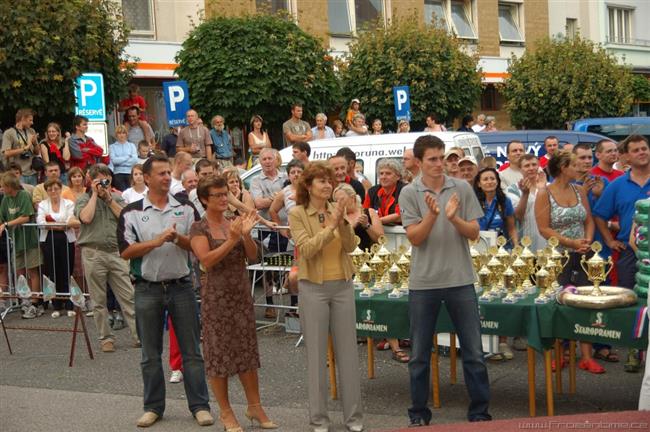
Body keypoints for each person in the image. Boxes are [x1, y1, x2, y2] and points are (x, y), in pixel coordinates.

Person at [398, 135, 490, 426]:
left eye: (442, 158)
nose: (439, 164)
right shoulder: (409, 192)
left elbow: (474, 232)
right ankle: (418, 413)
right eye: (433, 159)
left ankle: (479, 411)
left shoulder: (461, 187)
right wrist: (432, 216)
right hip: (423, 282)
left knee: (474, 352)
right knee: (420, 355)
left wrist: (453, 219)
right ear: (419, 161)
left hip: (460, 279)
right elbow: (415, 237)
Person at [117, 155, 213, 428]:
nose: (166, 177)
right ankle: (153, 407)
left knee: (192, 351)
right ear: (146, 178)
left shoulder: (184, 208)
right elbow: (125, 251)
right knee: (150, 353)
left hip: (181, 286)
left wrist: (178, 239)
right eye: (160, 173)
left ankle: (200, 406)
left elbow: (197, 245)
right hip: (147, 288)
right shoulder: (131, 212)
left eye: (168, 172)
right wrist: (156, 242)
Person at [190, 176, 276, 432]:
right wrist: (231, 239)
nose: (223, 199)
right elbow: (207, 260)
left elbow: (251, 256)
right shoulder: (199, 228)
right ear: (204, 199)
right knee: (219, 355)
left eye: (225, 194)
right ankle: (226, 412)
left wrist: (246, 236)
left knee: (246, 352)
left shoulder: (234, 222)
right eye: (217, 195)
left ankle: (255, 406)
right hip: (216, 297)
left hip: (240, 295)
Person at [288, 161, 364, 432]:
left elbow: (351, 245)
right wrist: (330, 226)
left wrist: (342, 222)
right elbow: (307, 250)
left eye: (329, 180)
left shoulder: (335, 209)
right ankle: (319, 420)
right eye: (321, 180)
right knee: (317, 357)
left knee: (349, 355)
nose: (327, 184)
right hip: (314, 288)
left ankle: (354, 419)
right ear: (308, 186)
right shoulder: (297, 213)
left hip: (342, 285)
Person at [534, 150, 601, 373]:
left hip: (583, 253)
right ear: (563, 168)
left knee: (586, 301)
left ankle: (587, 356)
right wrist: (570, 243)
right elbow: (543, 228)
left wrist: (588, 241)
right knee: (558, 304)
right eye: (575, 164)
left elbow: (589, 220)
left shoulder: (580, 190)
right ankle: (558, 353)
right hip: (558, 256)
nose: (581, 166)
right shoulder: (545, 193)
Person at [593, 135, 650, 373]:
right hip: (630, 253)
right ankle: (634, 352)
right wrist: (609, 240)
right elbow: (599, 215)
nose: (642, 153)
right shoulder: (616, 185)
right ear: (625, 156)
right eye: (635, 150)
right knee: (633, 303)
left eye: (645, 148)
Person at [75, 164, 138, 353]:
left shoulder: (118, 198)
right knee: (98, 300)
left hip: (116, 253)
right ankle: (105, 338)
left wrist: (109, 198)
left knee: (128, 296)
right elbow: (86, 218)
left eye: (106, 179)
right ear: (91, 181)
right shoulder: (83, 199)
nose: (104, 183)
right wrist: (95, 194)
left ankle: (139, 335)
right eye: (99, 180)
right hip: (93, 252)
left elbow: (125, 219)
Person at [251, 148, 288, 317]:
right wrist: (278, 197)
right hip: (266, 229)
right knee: (268, 268)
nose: (266, 161)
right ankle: (270, 304)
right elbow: (258, 203)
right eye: (263, 159)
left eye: (269, 158)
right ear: (260, 161)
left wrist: (274, 199)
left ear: (275, 160)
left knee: (289, 265)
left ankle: (293, 306)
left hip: (286, 227)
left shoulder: (286, 177)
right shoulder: (255, 181)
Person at [0, 173, 43, 319]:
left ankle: (35, 303)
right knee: (20, 273)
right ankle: (25, 300)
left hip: (29, 239)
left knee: (32, 271)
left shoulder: (23, 195)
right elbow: (2, 217)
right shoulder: (6, 199)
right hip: (15, 240)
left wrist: (7, 224)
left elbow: (26, 216)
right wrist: (3, 224)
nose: (2, 188)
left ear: (10, 186)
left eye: (3, 186)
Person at [37, 179, 80, 317]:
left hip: (66, 239)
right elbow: (41, 222)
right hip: (48, 239)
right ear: (47, 191)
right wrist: (59, 225)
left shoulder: (68, 203)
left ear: (60, 189)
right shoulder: (43, 204)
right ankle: (56, 305)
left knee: (66, 270)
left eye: (56, 188)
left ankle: (69, 304)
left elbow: (69, 221)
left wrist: (55, 224)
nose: (53, 191)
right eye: (50, 189)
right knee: (53, 271)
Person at [505, 154, 547, 252]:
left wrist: (543, 189)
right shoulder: (512, 190)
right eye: (527, 166)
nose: (531, 168)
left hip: (546, 243)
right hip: (524, 243)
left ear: (539, 166)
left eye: (534, 164)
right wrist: (525, 194)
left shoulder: (548, 187)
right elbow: (517, 216)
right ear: (520, 169)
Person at [474, 168, 518, 246]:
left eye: (492, 179)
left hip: (501, 249)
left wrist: (516, 246)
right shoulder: (473, 202)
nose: (489, 182)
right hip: (479, 247)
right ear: (479, 184)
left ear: (497, 182)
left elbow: (512, 229)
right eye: (485, 179)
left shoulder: (505, 201)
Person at [333, 183, 383, 253]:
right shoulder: (336, 217)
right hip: (345, 257)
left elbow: (380, 239)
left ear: (352, 198)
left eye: (341, 199)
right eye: (336, 201)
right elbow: (335, 240)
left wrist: (367, 225)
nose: (338, 203)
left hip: (367, 256)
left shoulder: (370, 212)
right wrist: (352, 226)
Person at [1, 108, 39, 185]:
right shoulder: (9, 133)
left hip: (32, 172)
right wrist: (25, 148)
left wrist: (35, 143)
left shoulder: (31, 131)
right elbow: (6, 153)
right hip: (17, 174)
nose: (32, 122)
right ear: (22, 119)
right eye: (30, 120)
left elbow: (37, 152)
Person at [363, 158, 404, 226]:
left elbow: (400, 215)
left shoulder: (404, 190)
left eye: (388, 173)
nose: (383, 177)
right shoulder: (372, 192)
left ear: (398, 176)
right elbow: (364, 213)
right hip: (377, 231)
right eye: (381, 173)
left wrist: (376, 221)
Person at [108, 125, 139, 191]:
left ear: (126, 134)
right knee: (121, 195)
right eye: (119, 133)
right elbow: (114, 161)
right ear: (116, 135)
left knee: (131, 194)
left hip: (130, 173)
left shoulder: (131, 145)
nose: (121, 135)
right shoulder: (112, 147)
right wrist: (127, 157)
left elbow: (135, 160)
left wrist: (120, 161)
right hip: (118, 174)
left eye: (123, 133)